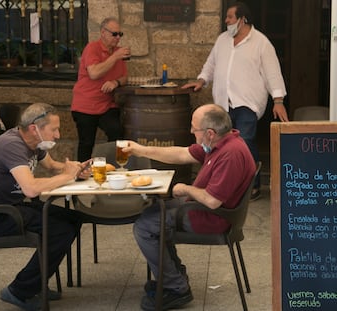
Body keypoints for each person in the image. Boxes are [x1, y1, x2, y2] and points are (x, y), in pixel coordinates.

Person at [123, 104, 256, 311]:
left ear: (210, 133)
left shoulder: (230, 154)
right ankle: (174, 276)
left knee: (144, 226)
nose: (191, 132)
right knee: (152, 213)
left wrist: (185, 189)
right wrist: (140, 150)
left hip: (211, 217)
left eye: (194, 129)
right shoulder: (221, 142)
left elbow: (212, 200)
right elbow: (181, 154)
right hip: (202, 209)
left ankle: (175, 287)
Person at [0, 103, 91, 311]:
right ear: (35, 128)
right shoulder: (12, 145)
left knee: (73, 219)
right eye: (53, 129)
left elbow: (52, 166)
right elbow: (32, 189)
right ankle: (19, 290)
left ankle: (35, 282)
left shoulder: (34, 143)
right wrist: (66, 176)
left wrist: (74, 169)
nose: (58, 135)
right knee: (60, 230)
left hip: (10, 206)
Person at [182, 1, 288, 201]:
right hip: (223, 103)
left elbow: (272, 73)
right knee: (222, 145)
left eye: (230, 17)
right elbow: (211, 64)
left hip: (247, 102)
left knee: (245, 143)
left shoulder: (261, 42)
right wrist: (201, 80)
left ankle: (252, 186)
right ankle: (225, 186)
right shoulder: (223, 40)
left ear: (242, 19)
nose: (226, 21)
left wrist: (278, 100)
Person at [71, 17, 130, 162]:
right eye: (114, 34)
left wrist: (115, 82)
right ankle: (81, 175)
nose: (117, 38)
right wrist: (115, 57)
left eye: (120, 34)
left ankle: (117, 169)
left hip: (107, 104)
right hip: (86, 104)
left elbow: (125, 78)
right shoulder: (92, 48)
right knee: (86, 143)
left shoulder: (117, 52)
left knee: (117, 132)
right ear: (103, 32)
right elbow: (94, 73)